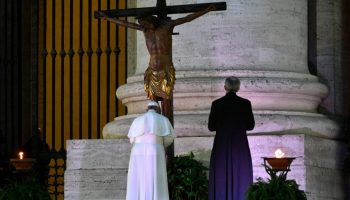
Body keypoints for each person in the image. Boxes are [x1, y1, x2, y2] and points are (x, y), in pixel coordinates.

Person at [98, 5, 216, 118]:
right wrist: (107, 18)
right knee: (153, 99)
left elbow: (187, 19)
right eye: (141, 24)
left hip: (165, 68)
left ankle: (166, 123)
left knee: (166, 98)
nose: (143, 26)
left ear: (151, 20)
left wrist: (206, 10)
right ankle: (155, 122)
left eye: (145, 24)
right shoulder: (144, 30)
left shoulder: (167, 26)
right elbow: (125, 24)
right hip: (152, 69)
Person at [208, 77, 255, 200]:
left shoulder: (216, 104)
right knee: (241, 176)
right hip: (240, 146)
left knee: (221, 176)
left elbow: (211, 127)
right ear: (238, 88)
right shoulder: (245, 103)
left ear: (225, 87)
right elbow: (250, 126)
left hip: (221, 146)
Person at [126, 100, 174, 200]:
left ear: (147, 109)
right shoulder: (163, 119)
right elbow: (169, 139)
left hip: (137, 151)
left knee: (138, 179)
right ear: (158, 109)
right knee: (154, 179)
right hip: (155, 150)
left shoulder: (137, 120)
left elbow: (132, 140)